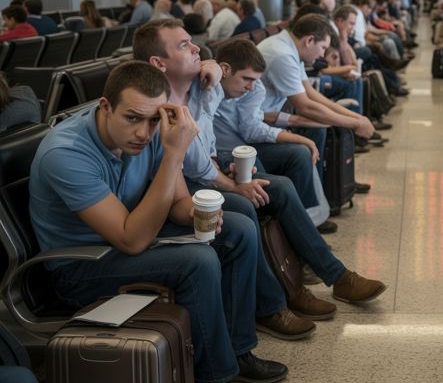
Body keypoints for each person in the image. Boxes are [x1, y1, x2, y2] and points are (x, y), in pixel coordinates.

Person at [29, 61, 290, 383]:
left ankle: (238, 352)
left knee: (239, 230)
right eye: (132, 118)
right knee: (197, 261)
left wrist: (196, 214)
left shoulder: (152, 129)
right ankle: (217, 375)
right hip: (82, 266)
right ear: (105, 106)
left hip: (127, 233)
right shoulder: (66, 153)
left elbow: (178, 204)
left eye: (154, 120)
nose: (143, 132)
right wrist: (174, 154)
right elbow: (132, 240)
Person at [133, 20, 385, 320]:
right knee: (246, 203)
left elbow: (214, 130)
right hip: (185, 186)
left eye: (191, 41)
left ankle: (335, 275)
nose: (196, 48)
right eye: (184, 45)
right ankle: (276, 302)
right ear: (158, 63)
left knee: (280, 186)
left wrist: (213, 67)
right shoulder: (165, 108)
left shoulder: (201, 87)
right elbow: (197, 164)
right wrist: (232, 184)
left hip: (208, 169)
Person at [213, 39, 335, 232]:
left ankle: (306, 219)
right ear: (225, 70)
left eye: (254, 80)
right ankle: (288, 227)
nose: (251, 86)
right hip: (226, 150)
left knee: (300, 153)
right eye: (246, 79)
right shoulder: (208, 89)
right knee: (257, 165)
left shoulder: (255, 87)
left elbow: (251, 129)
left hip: (247, 142)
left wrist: (301, 139)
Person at [257, 14, 376, 180]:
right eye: (323, 48)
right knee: (317, 128)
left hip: (272, 116)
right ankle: (317, 188)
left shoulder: (291, 47)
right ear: (309, 40)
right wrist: (355, 123)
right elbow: (305, 106)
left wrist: (357, 118)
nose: (322, 55)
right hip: (259, 123)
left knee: (321, 124)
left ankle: (327, 185)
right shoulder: (283, 55)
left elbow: (311, 94)